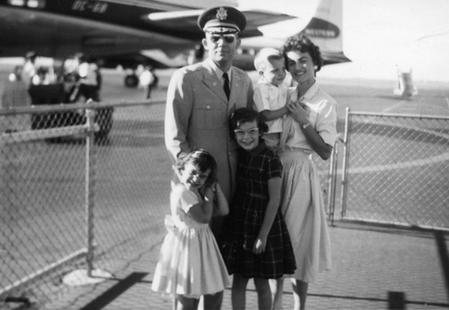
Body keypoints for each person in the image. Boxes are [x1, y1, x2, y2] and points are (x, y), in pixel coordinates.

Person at [164, 6, 255, 243]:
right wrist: (193, 183)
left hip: (234, 183)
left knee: (226, 254)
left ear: (238, 42)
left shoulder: (244, 81)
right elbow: (175, 138)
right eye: (214, 38)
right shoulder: (186, 78)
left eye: (228, 38)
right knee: (195, 252)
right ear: (205, 43)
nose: (221, 43)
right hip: (200, 184)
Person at [271, 35, 337, 310]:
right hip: (276, 171)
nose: (298, 68)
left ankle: (299, 306)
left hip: (300, 174)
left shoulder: (325, 103)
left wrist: (303, 121)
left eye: (304, 61)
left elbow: (324, 151)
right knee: (275, 242)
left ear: (316, 64)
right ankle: (275, 304)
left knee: (298, 243)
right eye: (292, 63)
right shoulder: (282, 93)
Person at [222, 108, 296, 310]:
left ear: (261, 131)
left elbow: (274, 200)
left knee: (262, 283)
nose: (246, 137)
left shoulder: (270, 159)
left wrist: (262, 236)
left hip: (263, 225)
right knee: (239, 281)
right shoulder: (240, 156)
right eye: (240, 133)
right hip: (241, 225)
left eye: (252, 131)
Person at [151, 149, 230, 310]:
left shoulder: (196, 192)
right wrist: (208, 197)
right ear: (182, 169)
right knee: (187, 294)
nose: (196, 178)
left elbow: (223, 210)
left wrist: (216, 189)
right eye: (193, 172)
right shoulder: (182, 192)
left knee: (212, 289)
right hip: (188, 247)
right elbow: (203, 218)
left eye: (202, 176)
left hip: (201, 245)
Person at [253, 47, 290, 149]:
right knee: (268, 159)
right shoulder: (261, 89)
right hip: (267, 134)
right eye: (275, 70)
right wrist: (287, 109)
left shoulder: (281, 86)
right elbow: (265, 115)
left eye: (283, 69)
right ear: (261, 73)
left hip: (280, 132)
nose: (281, 73)